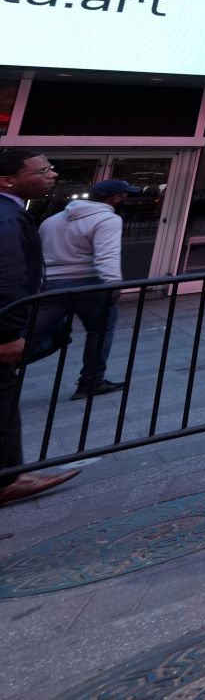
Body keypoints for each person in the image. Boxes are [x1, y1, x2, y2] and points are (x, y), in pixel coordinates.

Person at [0, 150, 78, 507]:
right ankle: (8, 478)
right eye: (43, 170)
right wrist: (9, 332)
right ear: (8, 180)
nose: (52, 174)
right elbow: (10, 277)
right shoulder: (8, 217)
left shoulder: (16, 213)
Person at [39, 178, 140, 399]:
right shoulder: (107, 219)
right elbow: (108, 255)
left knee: (31, 333)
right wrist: (114, 285)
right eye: (124, 196)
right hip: (88, 283)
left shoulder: (52, 220)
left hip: (53, 284)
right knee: (101, 330)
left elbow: (41, 253)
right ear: (114, 198)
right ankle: (91, 381)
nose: (126, 199)